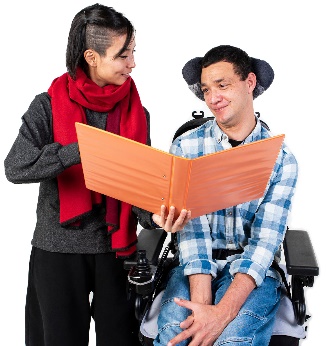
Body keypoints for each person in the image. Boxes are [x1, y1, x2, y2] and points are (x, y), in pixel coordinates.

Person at [4, 4, 189, 346]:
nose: (132, 63)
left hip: (118, 252)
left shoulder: (138, 112)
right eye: (123, 55)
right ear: (92, 56)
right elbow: (16, 166)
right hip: (56, 250)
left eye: (133, 53)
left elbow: (139, 189)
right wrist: (82, 149)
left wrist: (157, 216)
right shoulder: (47, 105)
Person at [153, 45, 298, 346]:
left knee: (232, 339)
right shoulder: (186, 148)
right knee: (175, 337)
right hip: (193, 266)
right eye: (206, 89)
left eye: (223, 85)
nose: (212, 98)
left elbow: (264, 244)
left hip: (252, 270)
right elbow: (193, 233)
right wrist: (204, 307)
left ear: (249, 82)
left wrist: (221, 316)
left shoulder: (281, 159)